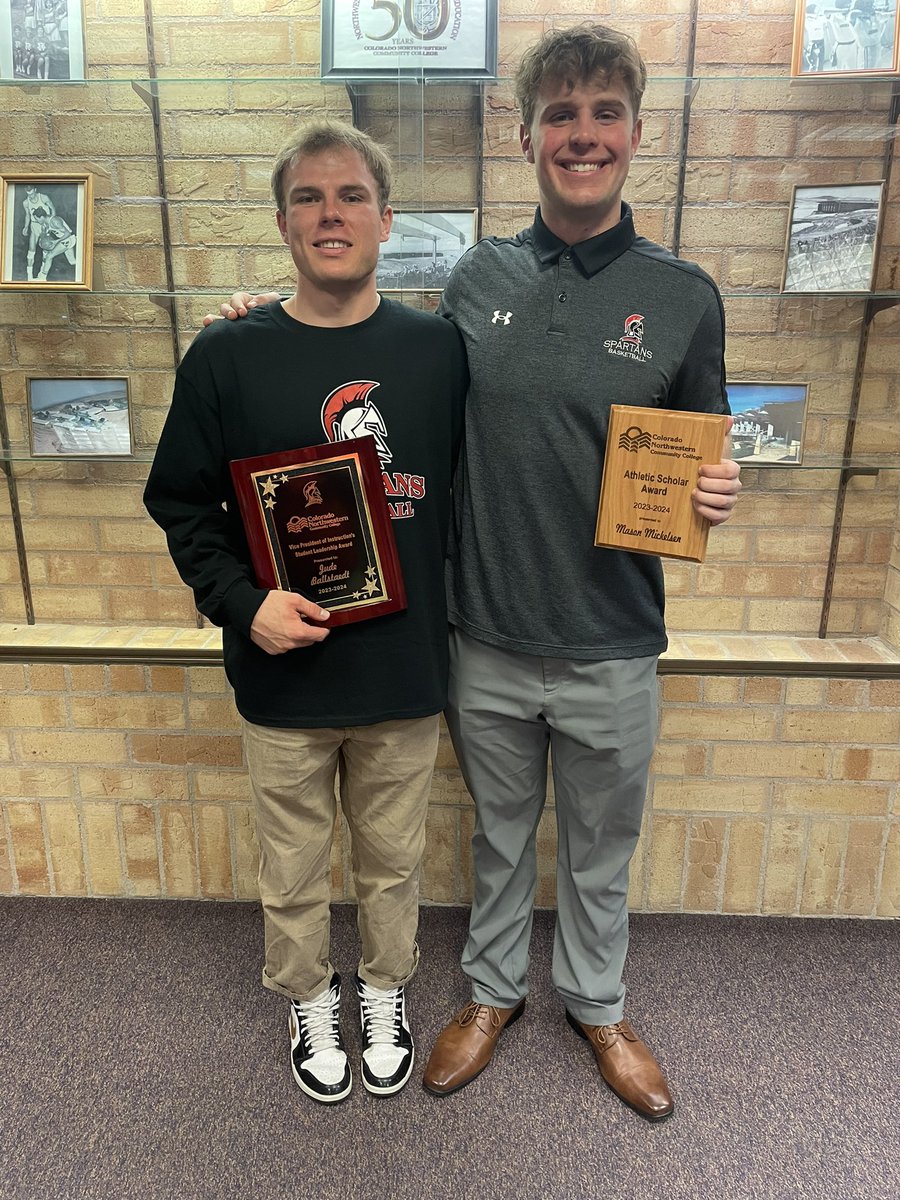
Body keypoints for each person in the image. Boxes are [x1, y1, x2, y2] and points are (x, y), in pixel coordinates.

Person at [213, 22, 741, 1123]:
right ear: (526, 135)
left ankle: (598, 1005)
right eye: (560, 115)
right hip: (484, 634)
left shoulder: (685, 295)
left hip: (613, 637)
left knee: (600, 848)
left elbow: (703, 444)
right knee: (497, 839)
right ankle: (493, 994)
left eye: (604, 114)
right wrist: (257, 326)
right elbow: (373, 351)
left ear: (635, 133)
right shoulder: (474, 279)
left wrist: (716, 490)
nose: (582, 135)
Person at [144, 120, 466, 1105]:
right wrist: (243, 606)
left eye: (352, 195)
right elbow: (181, 503)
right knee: (291, 866)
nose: (332, 214)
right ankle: (308, 997)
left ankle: (385, 988)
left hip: (403, 670)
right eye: (309, 198)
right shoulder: (226, 354)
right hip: (283, 672)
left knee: (393, 862)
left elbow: (494, 482)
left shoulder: (440, 351)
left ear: (386, 218)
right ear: (284, 223)